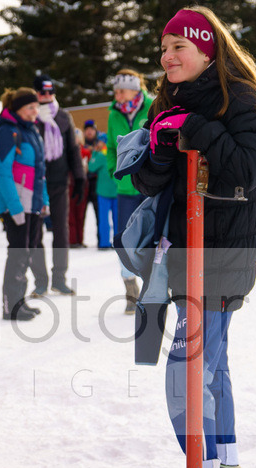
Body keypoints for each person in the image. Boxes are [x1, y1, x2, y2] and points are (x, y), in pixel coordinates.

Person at [129, 6, 256, 468]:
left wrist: (195, 129)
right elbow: (149, 184)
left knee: (187, 369)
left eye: (179, 47)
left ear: (205, 49)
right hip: (177, 253)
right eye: (163, 48)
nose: (167, 57)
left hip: (221, 254)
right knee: (210, 366)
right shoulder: (167, 101)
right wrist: (158, 149)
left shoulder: (239, 99)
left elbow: (246, 171)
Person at [0, 87, 50, 321]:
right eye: (30, 107)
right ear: (17, 109)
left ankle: (19, 301)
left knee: (26, 254)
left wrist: (44, 200)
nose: (35, 111)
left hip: (33, 204)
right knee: (17, 254)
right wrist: (14, 208)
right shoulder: (6, 132)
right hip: (15, 205)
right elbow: (2, 173)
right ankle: (11, 306)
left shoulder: (32, 131)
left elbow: (40, 171)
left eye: (37, 107)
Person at [30, 74, 84, 296]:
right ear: (35, 93)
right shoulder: (30, 115)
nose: (46, 95)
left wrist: (79, 177)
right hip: (35, 183)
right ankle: (40, 281)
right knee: (35, 232)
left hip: (60, 181)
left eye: (50, 91)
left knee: (61, 230)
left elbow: (73, 149)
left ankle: (59, 278)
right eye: (42, 92)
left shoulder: (63, 116)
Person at [107, 68, 154, 313]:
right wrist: (113, 172)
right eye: (115, 91)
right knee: (124, 240)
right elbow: (110, 148)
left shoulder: (153, 107)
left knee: (152, 237)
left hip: (150, 186)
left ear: (135, 90)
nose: (117, 96)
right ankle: (130, 288)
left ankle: (153, 288)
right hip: (125, 188)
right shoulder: (113, 114)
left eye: (121, 91)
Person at [89, 132, 118, 251]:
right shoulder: (115, 155)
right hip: (116, 191)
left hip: (103, 192)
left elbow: (91, 167)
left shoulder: (100, 156)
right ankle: (117, 242)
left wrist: (95, 153)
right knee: (117, 219)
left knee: (104, 220)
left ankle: (104, 243)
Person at [68, 127, 90, 248]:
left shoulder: (85, 152)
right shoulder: (67, 151)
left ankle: (79, 239)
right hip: (70, 184)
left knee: (80, 214)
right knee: (70, 213)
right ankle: (72, 240)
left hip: (82, 184)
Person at [82, 120, 101, 236]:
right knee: (80, 213)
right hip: (83, 182)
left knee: (99, 213)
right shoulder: (79, 144)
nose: (89, 132)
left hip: (97, 183)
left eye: (92, 129)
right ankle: (78, 239)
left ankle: (101, 238)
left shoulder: (100, 144)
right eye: (87, 129)